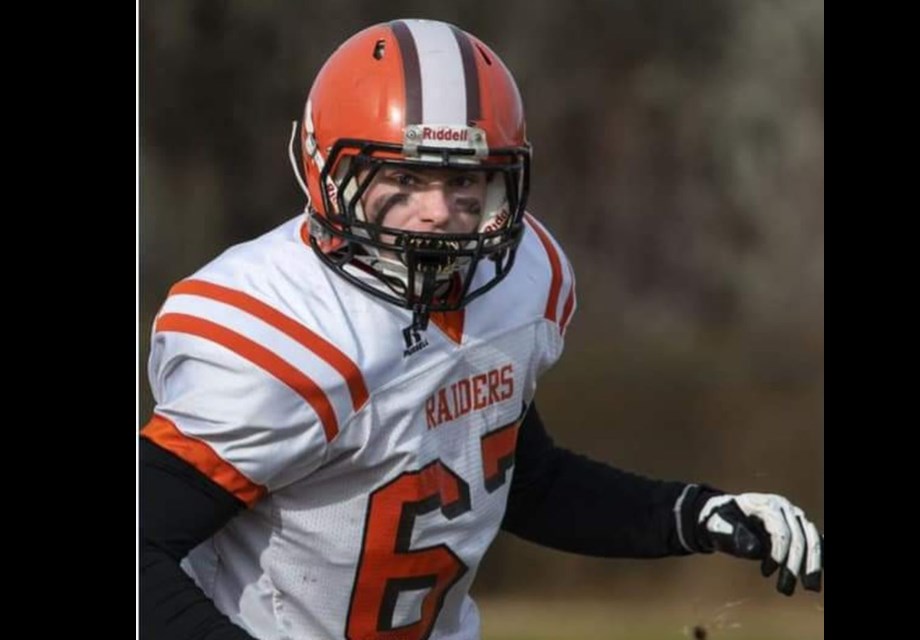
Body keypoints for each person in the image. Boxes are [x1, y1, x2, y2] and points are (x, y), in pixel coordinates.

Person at [139, 18, 823, 640]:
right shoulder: (284, 330)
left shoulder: (524, 282)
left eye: (464, 181)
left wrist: (691, 514)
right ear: (328, 173)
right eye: (403, 178)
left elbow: (519, 478)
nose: (438, 212)